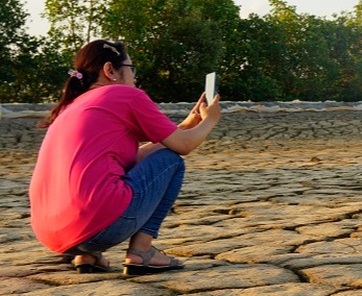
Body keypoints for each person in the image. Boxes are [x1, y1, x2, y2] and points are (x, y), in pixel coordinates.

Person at [29, 39, 221, 274]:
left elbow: (137, 156)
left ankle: (87, 256)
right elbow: (184, 145)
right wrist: (210, 120)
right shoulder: (125, 94)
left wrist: (187, 124)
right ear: (110, 70)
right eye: (132, 70)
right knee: (172, 162)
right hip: (101, 229)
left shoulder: (71, 107)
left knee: (115, 171)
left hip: (55, 237)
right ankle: (141, 252)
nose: (135, 78)